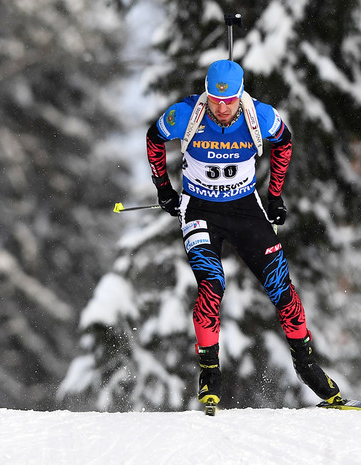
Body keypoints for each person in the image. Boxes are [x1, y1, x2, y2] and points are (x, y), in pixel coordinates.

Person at [146, 59, 342, 409]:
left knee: (280, 285)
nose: (221, 108)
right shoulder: (187, 114)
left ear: (240, 95)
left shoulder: (260, 116)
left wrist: (275, 194)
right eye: (214, 100)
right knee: (212, 283)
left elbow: (284, 141)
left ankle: (306, 363)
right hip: (199, 211)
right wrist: (164, 189)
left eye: (229, 100)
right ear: (206, 93)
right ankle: (209, 372)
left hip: (245, 209)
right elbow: (154, 137)